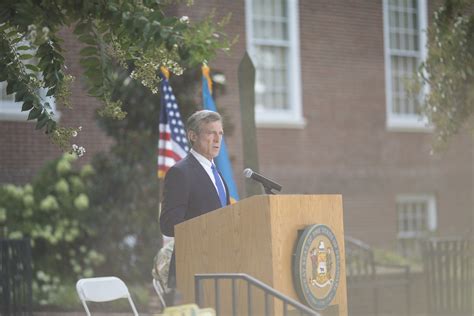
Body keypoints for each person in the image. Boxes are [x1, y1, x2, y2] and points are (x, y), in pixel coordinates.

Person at [159, 110, 231, 297]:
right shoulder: (180, 172)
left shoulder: (218, 175)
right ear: (192, 136)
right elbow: (168, 224)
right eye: (211, 133)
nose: (217, 139)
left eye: (220, 133)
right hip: (193, 268)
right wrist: (206, 230)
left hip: (222, 265)